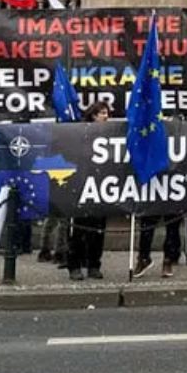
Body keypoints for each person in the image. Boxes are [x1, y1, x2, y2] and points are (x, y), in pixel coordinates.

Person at [67, 103, 112, 281]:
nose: (106, 116)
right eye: (102, 113)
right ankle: (74, 265)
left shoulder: (111, 133)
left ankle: (94, 265)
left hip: (102, 187)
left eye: (107, 113)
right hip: (82, 187)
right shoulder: (81, 133)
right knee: (79, 230)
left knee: (98, 230)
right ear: (93, 115)